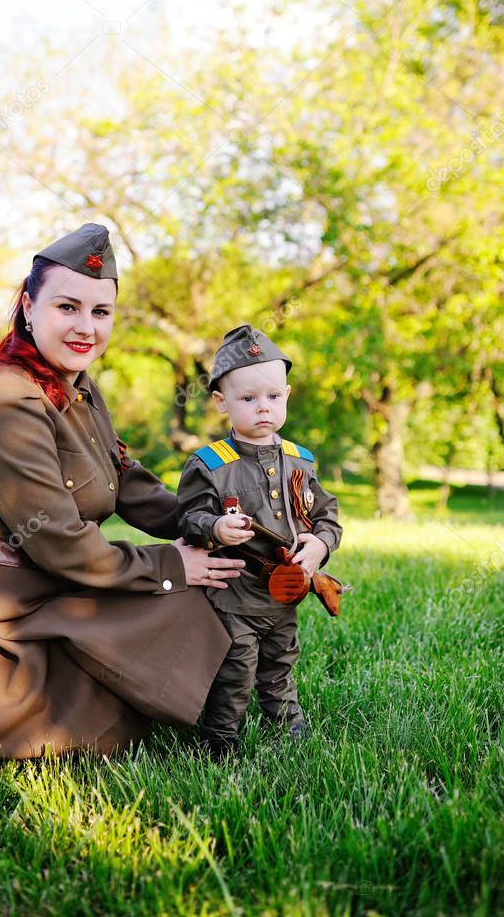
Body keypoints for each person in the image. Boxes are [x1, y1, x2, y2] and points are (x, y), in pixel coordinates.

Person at [0, 223, 243, 771]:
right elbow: (62, 545)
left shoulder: (78, 385)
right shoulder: (5, 399)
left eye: (101, 312)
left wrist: (210, 522)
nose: (86, 328)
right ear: (27, 305)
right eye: (68, 307)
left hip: (48, 586)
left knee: (200, 592)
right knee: (177, 600)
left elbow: (127, 481)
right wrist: (171, 564)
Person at [177, 324, 343, 758]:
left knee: (281, 661)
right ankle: (220, 741)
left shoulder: (300, 460)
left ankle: (289, 728)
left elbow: (327, 514)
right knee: (237, 667)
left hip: (286, 592)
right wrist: (213, 527)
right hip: (235, 593)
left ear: (286, 395)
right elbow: (189, 517)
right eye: (248, 399)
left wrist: (320, 545)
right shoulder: (211, 464)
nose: (262, 408)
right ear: (221, 403)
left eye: (272, 397)